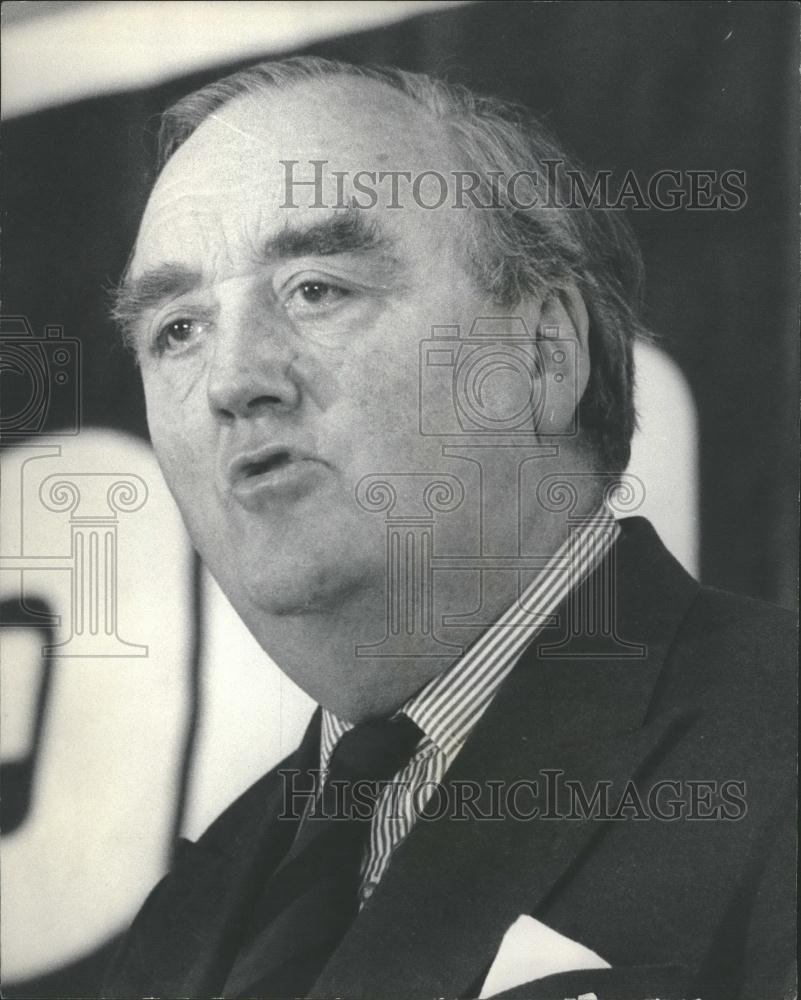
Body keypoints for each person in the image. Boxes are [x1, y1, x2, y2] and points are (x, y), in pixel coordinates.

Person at [103, 57, 794, 1000]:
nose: (231, 381)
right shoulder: (189, 917)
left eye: (316, 288)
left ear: (543, 354)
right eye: (176, 329)